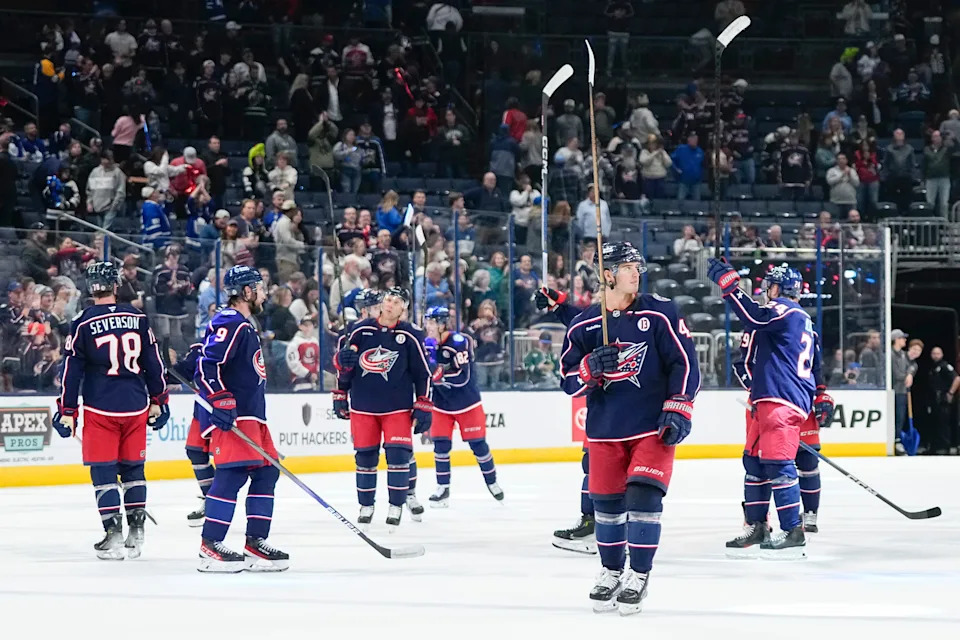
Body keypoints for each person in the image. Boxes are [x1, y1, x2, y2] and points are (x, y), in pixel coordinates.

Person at [560, 242, 700, 614]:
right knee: (606, 506)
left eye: (638, 266)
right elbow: (568, 380)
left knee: (643, 498)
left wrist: (679, 407)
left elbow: (685, 364)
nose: (637, 273)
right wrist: (589, 368)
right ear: (607, 274)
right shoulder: (586, 324)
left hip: (651, 427)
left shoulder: (661, 313)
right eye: (627, 267)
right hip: (605, 430)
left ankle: (638, 574)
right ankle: (609, 571)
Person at [53, 262, 170, 560]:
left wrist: (67, 410)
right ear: (116, 285)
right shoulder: (138, 318)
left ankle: (113, 534)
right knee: (134, 469)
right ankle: (137, 532)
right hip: (135, 405)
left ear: (90, 288)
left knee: (103, 471)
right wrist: (160, 399)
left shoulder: (81, 322)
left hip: (100, 408)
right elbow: (154, 363)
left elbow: (71, 371)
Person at [707, 262, 814, 558]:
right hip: (769, 398)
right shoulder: (794, 318)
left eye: (769, 287)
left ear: (778, 289)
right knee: (753, 463)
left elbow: (754, 316)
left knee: (779, 464)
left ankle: (794, 530)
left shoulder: (787, 312)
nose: (766, 292)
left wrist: (730, 286)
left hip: (782, 399)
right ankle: (757, 525)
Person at [194, 265, 288, 572]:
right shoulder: (229, 321)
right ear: (246, 292)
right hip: (236, 414)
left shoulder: (244, 324)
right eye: (259, 288)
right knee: (232, 475)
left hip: (252, 414)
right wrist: (219, 398)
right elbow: (207, 365)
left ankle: (255, 544)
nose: (263, 293)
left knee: (267, 473)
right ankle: (210, 545)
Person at [333, 288, 433, 530]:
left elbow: (423, 373)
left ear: (403, 308)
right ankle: (366, 506)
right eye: (388, 299)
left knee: (398, 456)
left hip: (397, 408)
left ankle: (396, 505)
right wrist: (340, 390)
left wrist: (423, 403)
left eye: (396, 301)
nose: (390, 304)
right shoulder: (360, 330)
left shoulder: (410, 335)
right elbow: (342, 366)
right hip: (363, 407)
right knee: (365, 457)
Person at [734, 321, 834, 535]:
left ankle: (809, 515)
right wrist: (758, 392)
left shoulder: (805, 326)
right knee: (760, 463)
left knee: (807, 460)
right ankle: (758, 519)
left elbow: (814, 367)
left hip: (800, 401)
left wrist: (821, 393)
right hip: (768, 403)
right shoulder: (759, 324)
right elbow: (741, 363)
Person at [422, 305, 504, 508]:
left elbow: (464, 376)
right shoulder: (426, 344)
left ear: (443, 324)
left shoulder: (460, 342)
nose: (429, 326)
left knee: (478, 446)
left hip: (467, 403)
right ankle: (442, 489)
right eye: (428, 322)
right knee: (440, 446)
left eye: (432, 322)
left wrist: (440, 375)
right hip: (441, 404)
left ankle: (492, 482)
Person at [927, 346, 959, 455]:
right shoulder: (932, 367)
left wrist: (950, 393)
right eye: (933, 353)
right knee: (935, 423)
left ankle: (945, 447)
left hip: (943, 398)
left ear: (942, 354)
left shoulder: (945, 366)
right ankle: (935, 447)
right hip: (934, 398)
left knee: (943, 423)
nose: (935, 355)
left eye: (938, 353)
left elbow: (957, 378)